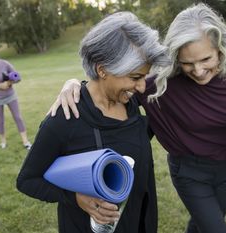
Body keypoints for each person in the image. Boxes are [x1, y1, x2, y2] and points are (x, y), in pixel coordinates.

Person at [49, 3, 226, 233]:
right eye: (187, 63)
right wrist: (76, 84)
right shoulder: (157, 84)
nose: (198, 71)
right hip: (189, 172)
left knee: (203, 225)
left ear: (221, 48)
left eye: (206, 59)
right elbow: (110, 88)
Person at [16, 11, 169, 233]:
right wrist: (75, 197)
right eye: (135, 77)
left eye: (144, 77)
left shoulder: (134, 103)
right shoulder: (65, 119)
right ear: (102, 69)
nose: (143, 87)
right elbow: (28, 180)